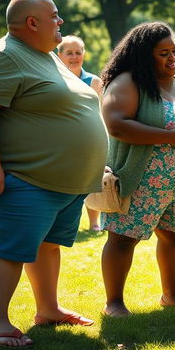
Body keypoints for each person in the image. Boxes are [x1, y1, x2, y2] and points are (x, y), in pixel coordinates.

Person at [0, 0, 108, 348]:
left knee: (47, 246)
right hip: (21, 177)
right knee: (10, 248)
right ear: (33, 22)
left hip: (60, 182)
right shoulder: (4, 56)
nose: (60, 21)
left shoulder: (45, 56)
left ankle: (48, 309)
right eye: (55, 16)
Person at [99, 22, 175, 316]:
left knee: (174, 234)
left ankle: (172, 296)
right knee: (122, 236)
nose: (172, 58)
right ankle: (114, 303)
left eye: (174, 51)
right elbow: (116, 125)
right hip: (143, 178)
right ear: (144, 55)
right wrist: (168, 136)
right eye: (163, 53)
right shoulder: (128, 83)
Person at [57, 35, 104, 231]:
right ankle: (62, 224)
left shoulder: (94, 82)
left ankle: (94, 224)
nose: (74, 57)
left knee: (92, 183)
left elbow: (103, 113)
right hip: (60, 142)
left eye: (78, 52)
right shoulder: (52, 78)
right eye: (69, 53)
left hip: (89, 142)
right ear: (59, 55)